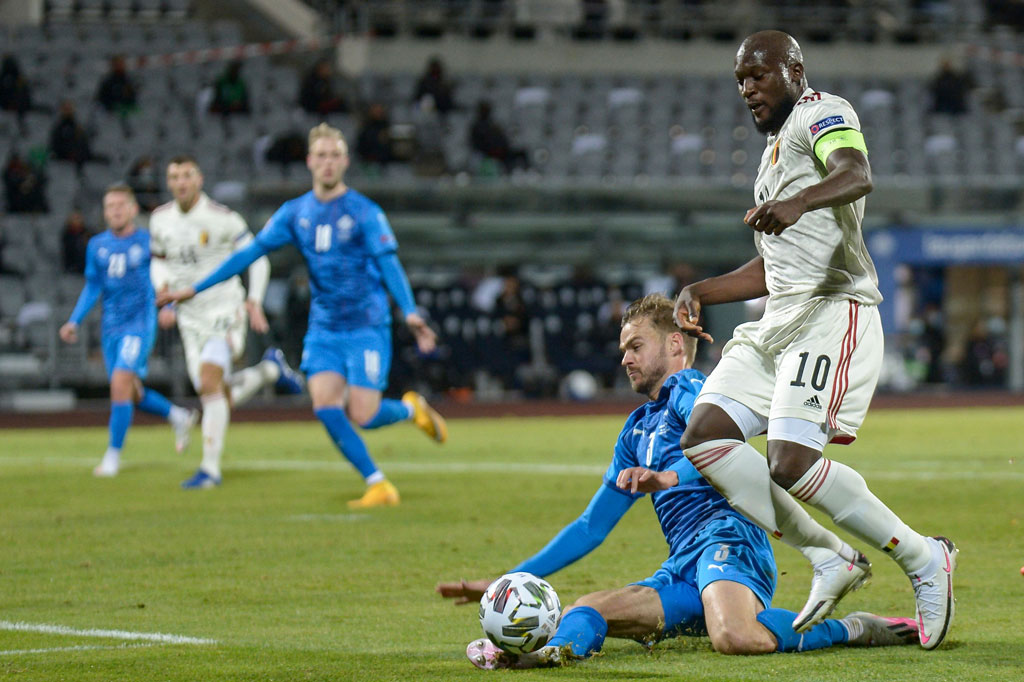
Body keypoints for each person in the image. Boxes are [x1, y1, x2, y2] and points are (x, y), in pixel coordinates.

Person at [437, 294, 918, 670]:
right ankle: (547, 654)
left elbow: (722, 442)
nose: (625, 359)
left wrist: (668, 475)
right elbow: (590, 527)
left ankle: (852, 628)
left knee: (735, 637)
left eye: (635, 346)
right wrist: (510, 580)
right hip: (683, 565)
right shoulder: (635, 432)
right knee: (586, 608)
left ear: (673, 345)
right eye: (623, 350)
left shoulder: (695, 393)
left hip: (731, 541)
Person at [672, 30, 957, 650]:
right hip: (778, 319)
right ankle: (831, 556)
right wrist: (699, 290)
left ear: (795, 72)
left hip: (831, 309)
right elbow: (773, 267)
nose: (748, 89)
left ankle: (924, 558)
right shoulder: (771, 154)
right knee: (705, 436)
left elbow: (857, 173)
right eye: (741, 80)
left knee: (790, 462)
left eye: (759, 75)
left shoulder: (821, 111)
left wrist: (799, 201)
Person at [158, 124, 448, 508]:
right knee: (325, 406)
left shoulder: (364, 211)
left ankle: (412, 409)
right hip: (325, 326)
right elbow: (249, 254)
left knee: (364, 414)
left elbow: (388, 263)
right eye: (321, 155)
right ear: (310, 161)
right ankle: (377, 483)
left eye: (334, 155)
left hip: (366, 324)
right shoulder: (296, 213)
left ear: (345, 161)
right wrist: (195, 288)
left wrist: (409, 311)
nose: (328, 163)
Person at [149, 155, 305, 490]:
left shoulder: (223, 218)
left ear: (199, 179)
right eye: (174, 176)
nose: (180, 182)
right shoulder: (160, 219)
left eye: (186, 175)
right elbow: (158, 260)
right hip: (189, 318)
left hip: (223, 311)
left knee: (209, 384)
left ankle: (210, 470)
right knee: (215, 394)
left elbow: (258, 258)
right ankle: (269, 371)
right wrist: (162, 289)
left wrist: (254, 300)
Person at [59, 185, 198, 477]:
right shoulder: (97, 245)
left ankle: (112, 456)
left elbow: (167, 276)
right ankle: (178, 416)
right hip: (111, 327)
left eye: (121, 205)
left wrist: (169, 307)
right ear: (105, 212)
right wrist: (74, 320)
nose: (116, 211)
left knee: (120, 383)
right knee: (131, 391)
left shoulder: (148, 241)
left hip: (140, 324)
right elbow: (93, 286)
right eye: (110, 206)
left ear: (134, 209)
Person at [62, 209, 92, 273]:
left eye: (78, 218)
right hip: (72, 269)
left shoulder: (88, 233)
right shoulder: (67, 235)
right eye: (75, 219)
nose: (77, 221)